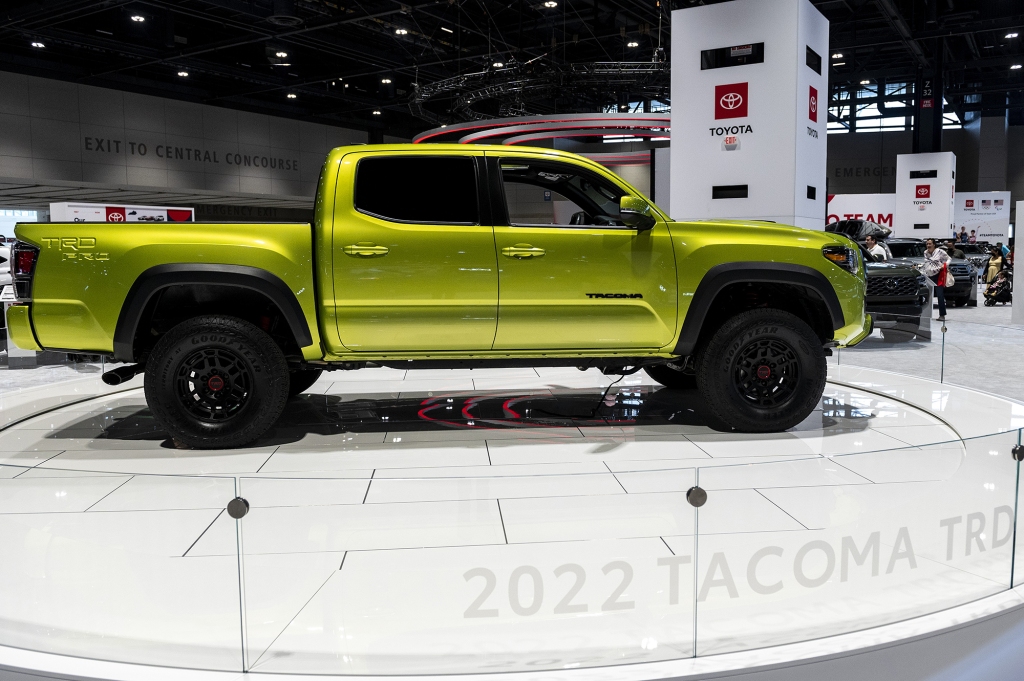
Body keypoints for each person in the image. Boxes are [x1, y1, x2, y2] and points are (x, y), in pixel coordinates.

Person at [921, 238, 950, 319]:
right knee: (927, 295)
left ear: (934, 244)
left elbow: (949, 259)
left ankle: (942, 315)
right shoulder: (925, 252)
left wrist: (944, 266)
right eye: (927, 244)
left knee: (940, 295)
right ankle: (926, 315)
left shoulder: (939, 251)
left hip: (938, 275)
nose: (928, 245)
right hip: (928, 275)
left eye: (930, 244)